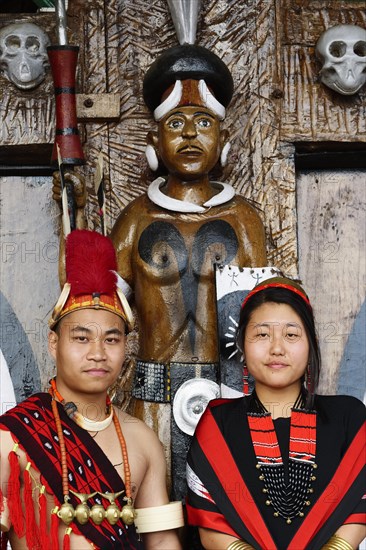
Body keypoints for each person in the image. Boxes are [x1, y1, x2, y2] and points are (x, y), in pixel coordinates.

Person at [0, 230, 183, 550]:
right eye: (82, 338)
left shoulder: (142, 440)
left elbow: (163, 541)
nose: (98, 352)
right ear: (53, 343)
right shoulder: (12, 437)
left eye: (111, 339)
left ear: (126, 345)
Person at [186, 276, 365, 550]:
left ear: (311, 343)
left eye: (291, 335)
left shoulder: (349, 418)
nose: (277, 348)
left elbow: (360, 503)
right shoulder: (217, 425)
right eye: (262, 334)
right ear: (242, 345)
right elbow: (209, 520)